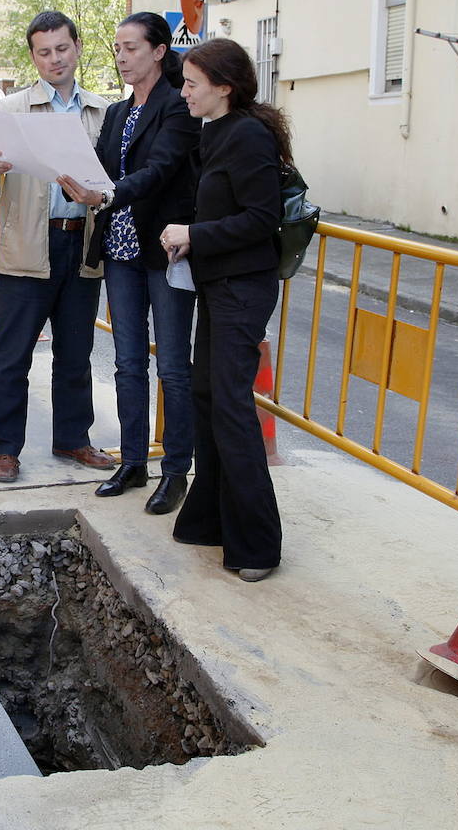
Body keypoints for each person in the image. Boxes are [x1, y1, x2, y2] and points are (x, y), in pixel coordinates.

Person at [0, 10, 117, 483]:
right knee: (12, 355)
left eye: (62, 49)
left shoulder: (102, 111)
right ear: (33, 56)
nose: (55, 59)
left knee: (75, 354)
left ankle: (72, 438)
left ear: (77, 48)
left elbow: (117, 180)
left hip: (83, 246)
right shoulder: (12, 110)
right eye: (44, 52)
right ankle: (5, 449)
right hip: (28, 247)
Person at [61, 12, 200, 514]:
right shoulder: (119, 112)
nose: (121, 56)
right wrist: (67, 173)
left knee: (173, 368)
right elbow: (94, 165)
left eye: (131, 47)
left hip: (163, 251)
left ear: (159, 51)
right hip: (118, 251)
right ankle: (134, 462)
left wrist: (107, 191)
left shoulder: (178, 107)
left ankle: (176, 471)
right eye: (117, 48)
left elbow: (161, 170)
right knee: (126, 363)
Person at [160, 38, 286, 583]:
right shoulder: (219, 132)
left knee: (231, 405)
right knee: (209, 395)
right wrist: (196, 241)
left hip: (242, 289)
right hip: (219, 283)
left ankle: (258, 545)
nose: (183, 91)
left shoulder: (249, 136)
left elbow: (263, 218)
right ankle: (211, 520)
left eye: (191, 83)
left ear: (224, 87)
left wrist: (195, 233)